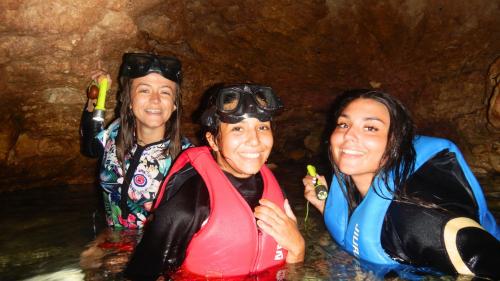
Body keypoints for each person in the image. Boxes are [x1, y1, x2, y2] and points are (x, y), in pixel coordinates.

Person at [302, 89, 500, 279]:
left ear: (395, 143)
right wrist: (325, 205)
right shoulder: (350, 187)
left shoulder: (420, 221)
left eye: (370, 128)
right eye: (344, 124)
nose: (348, 136)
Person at [124, 83, 305, 280]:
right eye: (237, 129)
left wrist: (298, 248)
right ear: (213, 141)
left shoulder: (275, 190)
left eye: (262, 127)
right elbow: (140, 274)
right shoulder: (187, 206)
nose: (255, 141)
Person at [80, 53, 191, 229]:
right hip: (111, 238)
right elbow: (90, 147)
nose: (155, 99)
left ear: (174, 104)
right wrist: (98, 95)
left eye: (165, 92)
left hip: (151, 250)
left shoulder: (188, 160)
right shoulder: (115, 132)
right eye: (144, 90)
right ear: (129, 100)